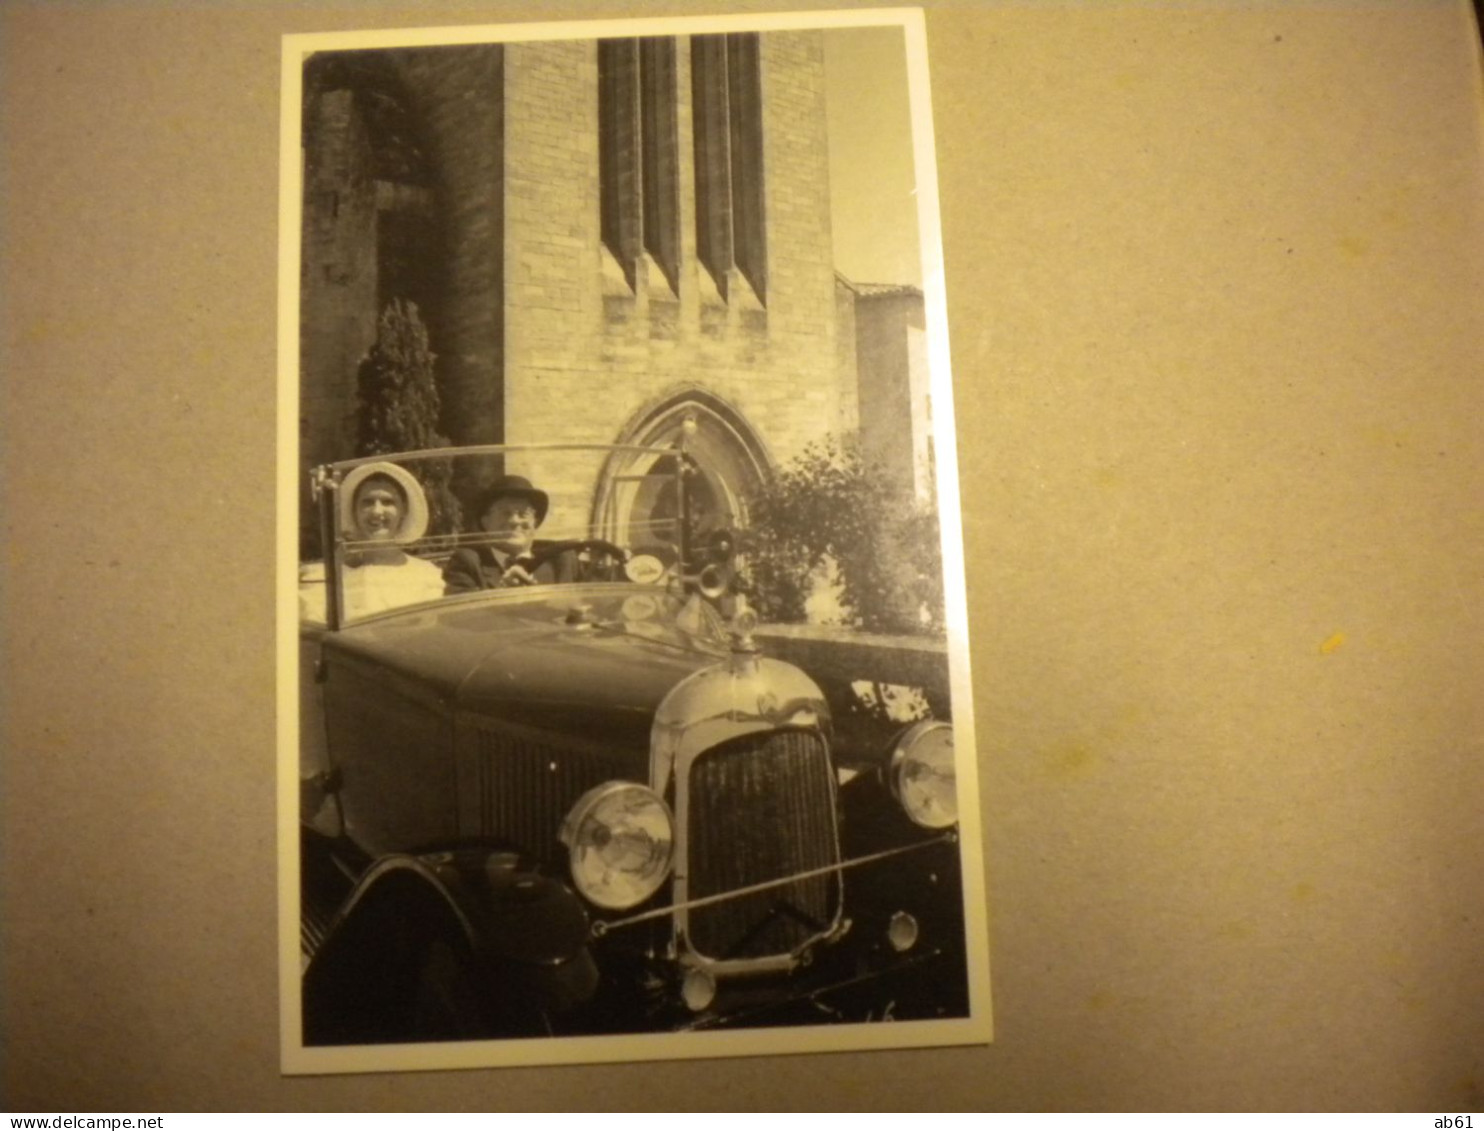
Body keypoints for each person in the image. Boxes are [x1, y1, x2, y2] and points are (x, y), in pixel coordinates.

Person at [337, 462, 445, 617]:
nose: (376, 511)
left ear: (403, 510)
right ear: (355, 511)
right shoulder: (333, 574)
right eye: (367, 502)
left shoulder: (426, 575)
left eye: (388, 502)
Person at [443, 474, 577, 593]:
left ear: (535, 522)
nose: (514, 521)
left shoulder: (561, 559)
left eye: (524, 513)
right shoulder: (468, 562)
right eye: (504, 513)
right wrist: (503, 592)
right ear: (485, 522)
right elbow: (460, 618)